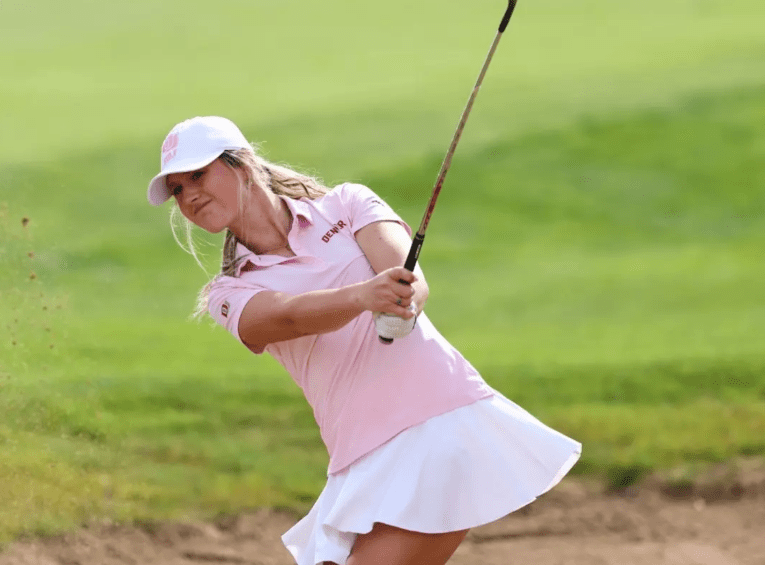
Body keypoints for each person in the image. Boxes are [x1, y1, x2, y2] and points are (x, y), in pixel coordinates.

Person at [146, 115, 582, 565]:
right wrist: (363, 296)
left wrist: (402, 301)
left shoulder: (347, 204)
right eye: (177, 189)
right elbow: (286, 316)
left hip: (437, 425)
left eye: (198, 175)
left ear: (242, 164)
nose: (189, 195)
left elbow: (408, 279)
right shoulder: (228, 293)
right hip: (359, 457)